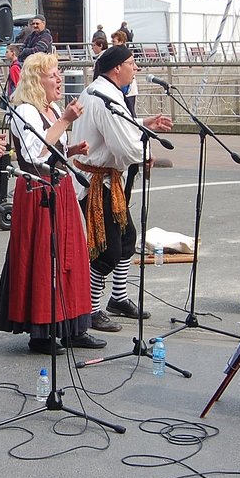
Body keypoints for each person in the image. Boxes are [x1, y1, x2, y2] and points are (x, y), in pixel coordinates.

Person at [0, 53, 104, 355]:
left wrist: (69, 149)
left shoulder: (51, 107)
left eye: (58, 73)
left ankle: (71, 327)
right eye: (53, 74)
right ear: (36, 80)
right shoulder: (25, 112)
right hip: (36, 192)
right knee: (44, 260)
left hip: (59, 187)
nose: (59, 79)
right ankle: (41, 332)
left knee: (70, 258)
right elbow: (33, 155)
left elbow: (50, 146)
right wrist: (66, 121)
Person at [72, 45, 172, 330]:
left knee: (127, 237)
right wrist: (146, 153)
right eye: (132, 63)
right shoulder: (103, 98)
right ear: (117, 68)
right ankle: (90, 310)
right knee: (106, 250)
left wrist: (142, 122)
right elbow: (123, 146)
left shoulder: (106, 92)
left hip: (106, 180)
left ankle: (118, 298)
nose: (135, 68)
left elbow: (119, 127)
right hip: (95, 183)